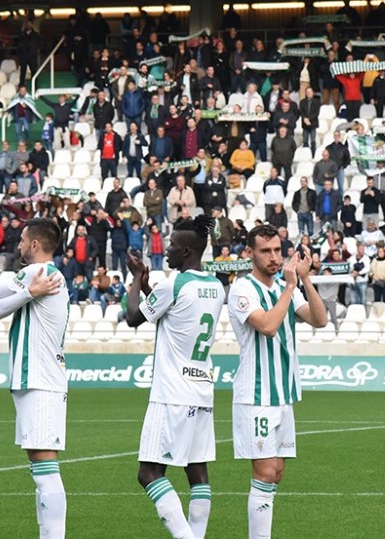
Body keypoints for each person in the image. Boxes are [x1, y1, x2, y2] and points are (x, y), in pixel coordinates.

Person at [226, 224, 328, 538]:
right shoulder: (242, 289)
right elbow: (268, 325)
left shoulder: (287, 287)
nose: (273, 257)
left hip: (283, 395)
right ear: (249, 253)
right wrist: (289, 287)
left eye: (277, 250)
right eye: (265, 251)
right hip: (255, 394)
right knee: (266, 472)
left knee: (277, 472)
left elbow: (320, 319)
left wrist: (305, 279)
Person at [124, 216, 224, 539]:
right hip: (201, 391)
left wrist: (137, 279)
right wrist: (149, 285)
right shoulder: (215, 287)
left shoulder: (174, 284)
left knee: (148, 473)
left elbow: (133, 317)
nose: (165, 250)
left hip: (171, 393)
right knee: (197, 472)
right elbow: (175, 308)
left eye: (171, 246)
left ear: (185, 252)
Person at [0, 218, 70, 538]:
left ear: (34, 245)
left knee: (45, 468)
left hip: (41, 379)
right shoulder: (38, 275)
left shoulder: (39, 272)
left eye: (22, 239)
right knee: (39, 467)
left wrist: (28, 292)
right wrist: (28, 293)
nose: (18, 244)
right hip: (39, 379)